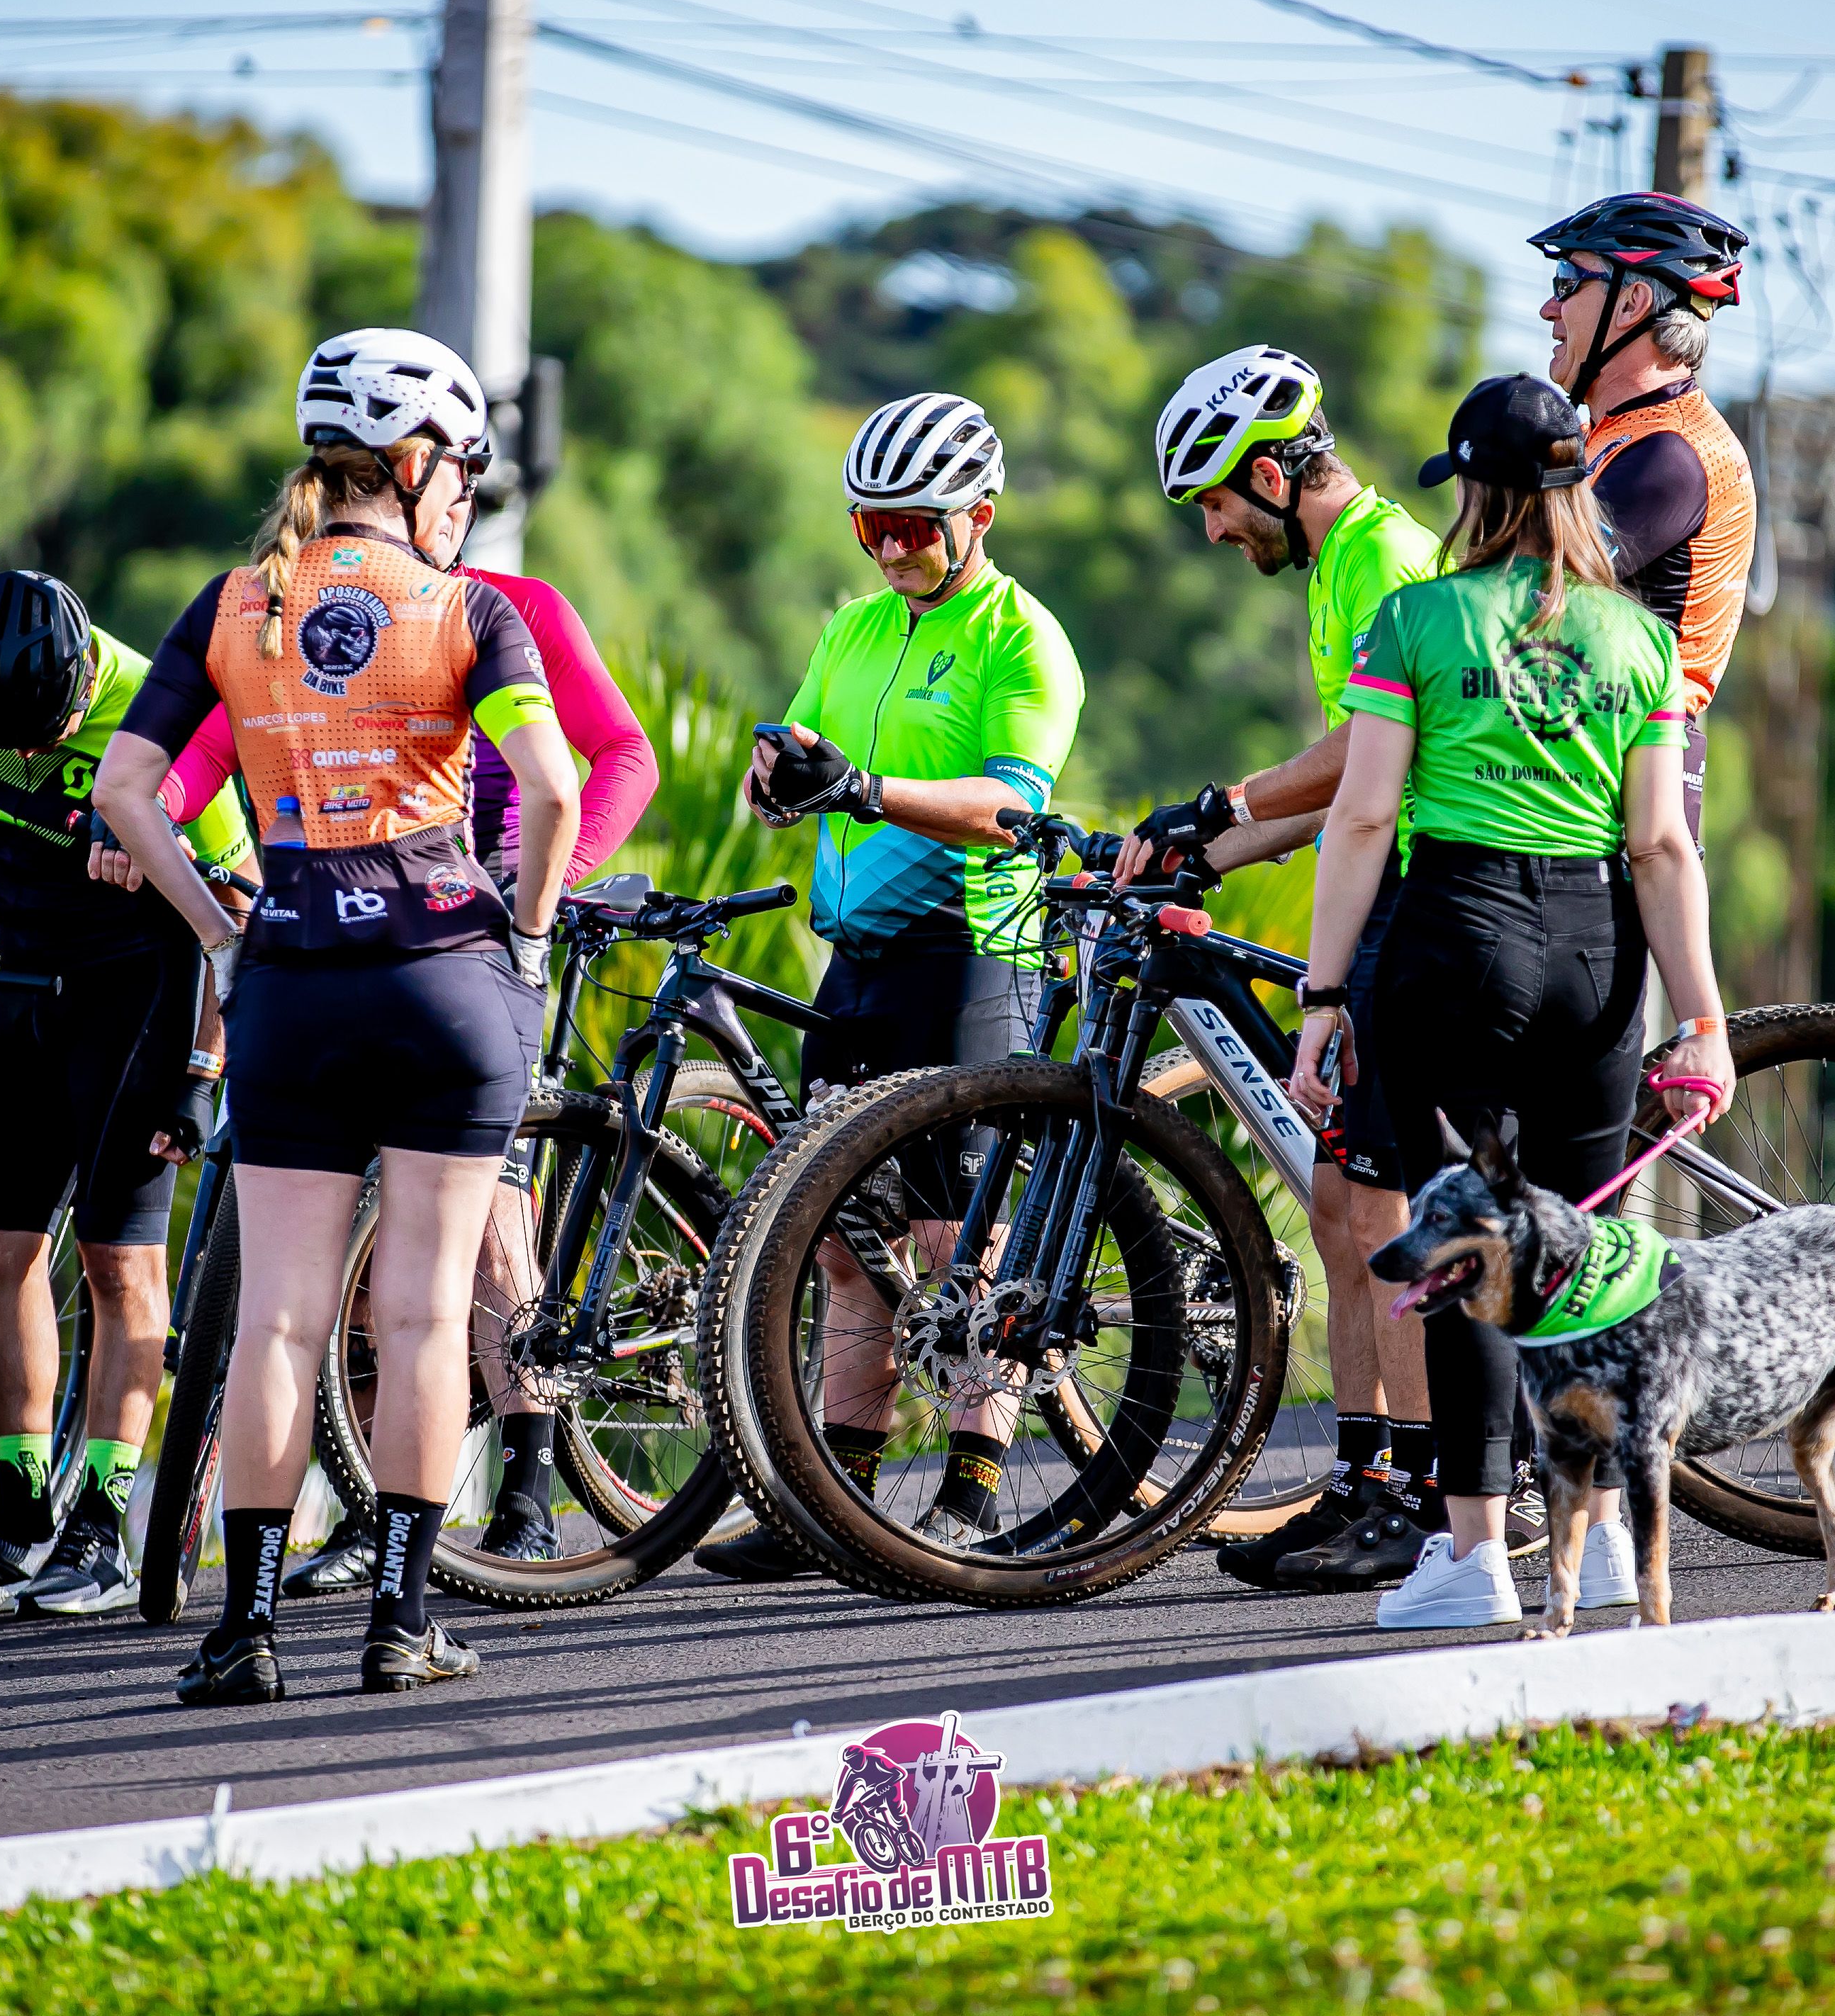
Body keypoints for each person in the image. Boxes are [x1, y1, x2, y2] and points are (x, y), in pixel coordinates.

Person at [92, 326, 579, 1704]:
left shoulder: (237, 603)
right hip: (445, 977)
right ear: (417, 466)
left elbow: (126, 793)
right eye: (463, 470)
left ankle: (243, 1633)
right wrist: (526, 940)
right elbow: (552, 791)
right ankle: (401, 1624)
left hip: (292, 979)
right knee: (423, 1317)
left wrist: (220, 935)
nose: (464, 493)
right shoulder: (469, 609)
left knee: (278, 1323)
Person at [1288, 373, 1736, 1632]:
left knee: (1466, 1250)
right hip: (1600, 949)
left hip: (1459, 935)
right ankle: (1603, 1544)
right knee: (1583, 1258)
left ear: (1475, 491)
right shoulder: (1638, 638)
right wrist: (1704, 1021)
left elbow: (1362, 819)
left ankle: (1475, 1555)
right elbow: (1663, 846)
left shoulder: (1416, 620)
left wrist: (1324, 995)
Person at [140, 561, 656, 1592]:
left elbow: (622, 757)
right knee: (374, 1281)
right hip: (360, 940)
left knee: (488, 1231)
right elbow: (202, 752)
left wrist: (544, 890)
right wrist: (150, 814)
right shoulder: (297, 607)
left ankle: (524, 1494)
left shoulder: (512, 607)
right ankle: (376, 1526)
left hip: (482, 933)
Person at [695, 390, 1086, 1582]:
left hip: (971, 955)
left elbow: (1008, 804)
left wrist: (863, 790)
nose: (895, 549)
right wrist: (777, 779)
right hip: (857, 960)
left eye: (917, 526)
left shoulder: (1024, 637)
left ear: (981, 515)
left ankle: (972, 1490)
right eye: (874, 528)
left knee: (959, 1239)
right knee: (844, 1244)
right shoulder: (854, 627)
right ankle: (840, 1503)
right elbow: (797, 762)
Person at [1126, 345, 1449, 1593]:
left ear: (1270, 475)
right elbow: (1333, 788)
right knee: (1336, 1204)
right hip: (1380, 891)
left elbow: (1368, 749)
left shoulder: (1382, 556)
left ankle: (1427, 1495)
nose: (1213, 532)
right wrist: (1184, 848)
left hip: (1427, 901)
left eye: (1215, 503)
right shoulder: (1336, 571)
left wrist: (1225, 802)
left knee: (1385, 1214)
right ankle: (1366, 1475)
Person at [0, 570, 257, 1623]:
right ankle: (15, 1523)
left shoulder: (159, 715)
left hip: (140, 1000)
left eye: (46, 739)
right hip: (29, 982)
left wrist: (203, 1076)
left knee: (115, 1259)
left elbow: (238, 914)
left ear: (83, 678)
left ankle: (99, 1525)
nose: (28, 758)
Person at [1527, 191, 1758, 833]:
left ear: (1631, 303)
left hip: (1624, 784)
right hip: (1589, 762)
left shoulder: (1669, 456)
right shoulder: (1615, 433)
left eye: (1567, 281)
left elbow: (1516, 595)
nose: (1549, 308)